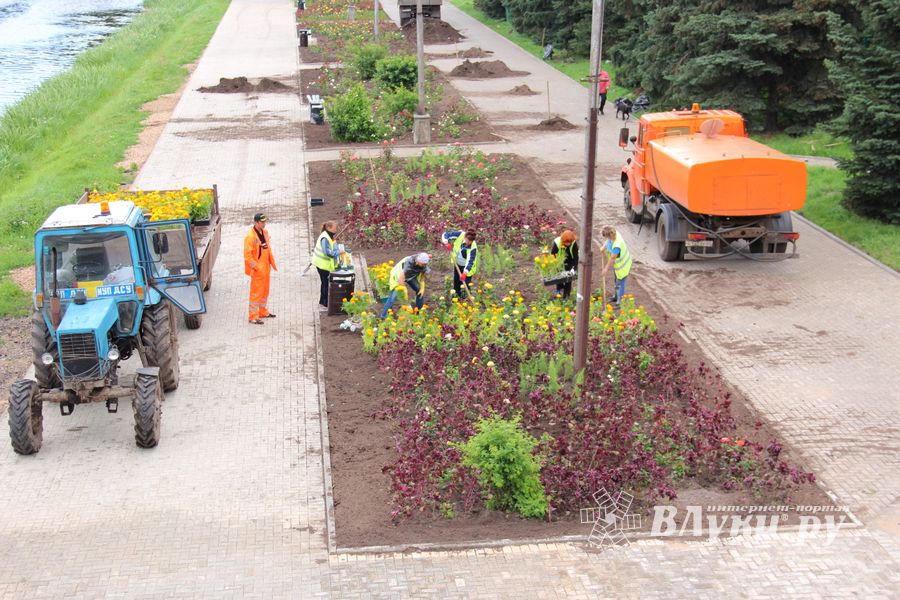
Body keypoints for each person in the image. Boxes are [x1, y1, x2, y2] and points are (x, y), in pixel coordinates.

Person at [243, 212, 278, 324]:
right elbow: (247, 255)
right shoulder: (250, 237)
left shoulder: (265, 232)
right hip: (258, 269)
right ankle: (253, 316)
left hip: (266, 266)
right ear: (256, 222)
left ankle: (262, 311)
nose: (264, 224)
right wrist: (256, 267)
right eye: (262, 222)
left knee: (265, 290)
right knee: (256, 292)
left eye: (265, 222)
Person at [380, 252, 430, 318]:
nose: (424, 265)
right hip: (397, 276)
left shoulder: (423, 264)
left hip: (410, 276)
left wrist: (422, 288)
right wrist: (404, 292)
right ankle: (383, 316)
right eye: (423, 264)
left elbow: (422, 278)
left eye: (425, 264)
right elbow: (401, 279)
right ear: (418, 261)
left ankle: (418, 312)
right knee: (393, 297)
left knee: (419, 290)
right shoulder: (409, 263)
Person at [312, 220, 344, 311]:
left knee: (325, 283)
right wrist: (338, 252)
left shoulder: (328, 235)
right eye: (335, 227)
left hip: (323, 264)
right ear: (329, 228)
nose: (336, 229)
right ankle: (324, 303)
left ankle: (323, 302)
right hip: (322, 265)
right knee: (325, 283)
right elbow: (328, 253)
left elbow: (333, 245)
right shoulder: (325, 238)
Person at [441, 230, 478, 298]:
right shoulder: (460, 235)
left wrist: (465, 273)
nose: (469, 242)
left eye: (471, 241)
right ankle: (456, 298)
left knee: (465, 285)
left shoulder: (473, 248)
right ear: (465, 237)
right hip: (457, 264)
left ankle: (466, 299)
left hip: (467, 268)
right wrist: (446, 243)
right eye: (468, 240)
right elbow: (445, 234)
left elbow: (470, 261)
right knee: (457, 282)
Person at [601, 225, 632, 306]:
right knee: (616, 281)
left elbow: (612, 258)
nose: (606, 239)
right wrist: (603, 247)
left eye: (606, 237)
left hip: (623, 265)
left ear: (610, 235)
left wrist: (605, 269)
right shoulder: (614, 233)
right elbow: (607, 240)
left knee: (620, 283)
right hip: (618, 265)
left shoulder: (617, 246)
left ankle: (619, 302)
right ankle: (616, 296)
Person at [550, 230, 578, 299]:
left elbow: (576, 258)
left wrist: (573, 269)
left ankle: (566, 296)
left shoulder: (573, 243)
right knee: (559, 278)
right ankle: (558, 292)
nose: (568, 244)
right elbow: (553, 255)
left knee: (568, 279)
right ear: (563, 240)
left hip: (570, 261)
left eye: (570, 242)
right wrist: (554, 266)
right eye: (566, 242)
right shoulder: (557, 243)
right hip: (559, 262)